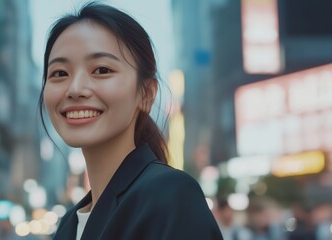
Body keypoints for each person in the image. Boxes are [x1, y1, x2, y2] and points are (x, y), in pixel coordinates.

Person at [39, 2, 223, 240]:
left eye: (102, 70)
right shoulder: (68, 224)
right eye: (60, 73)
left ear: (146, 94)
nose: (75, 89)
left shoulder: (170, 195)